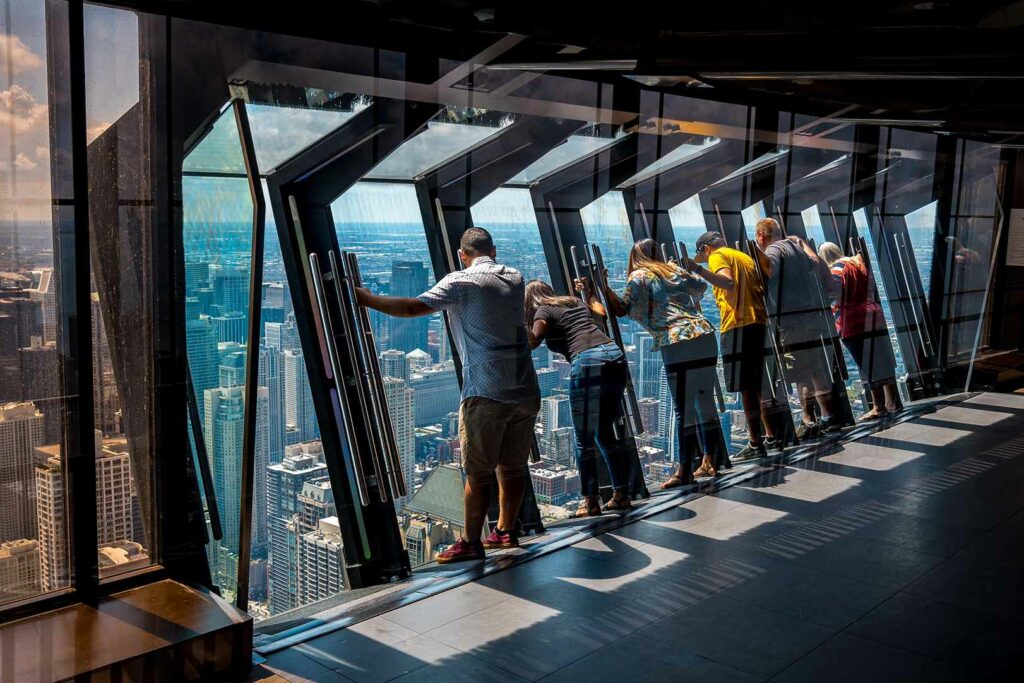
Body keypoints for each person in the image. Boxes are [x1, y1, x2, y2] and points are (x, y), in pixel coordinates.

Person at [356, 227, 540, 563]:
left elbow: (414, 308)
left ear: (462, 254)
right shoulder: (515, 277)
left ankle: (471, 542)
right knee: (512, 469)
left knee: (478, 471)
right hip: (525, 388)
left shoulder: (460, 282)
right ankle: (506, 531)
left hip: (486, 389)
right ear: (494, 251)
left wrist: (367, 300)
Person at [602, 238, 728, 487]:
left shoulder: (638, 276)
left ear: (634, 256)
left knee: (684, 409)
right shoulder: (672, 269)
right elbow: (700, 287)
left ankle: (684, 471)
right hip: (704, 335)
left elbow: (621, 309)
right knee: (705, 402)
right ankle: (709, 461)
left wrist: (604, 286)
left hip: (676, 341)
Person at [525, 279, 633, 516]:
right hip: (614, 356)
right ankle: (621, 495)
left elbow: (533, 341)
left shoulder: (543, 309)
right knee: (605, 432)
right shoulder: (572, 301)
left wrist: (513, 323)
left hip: (587, 363)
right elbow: (600, 313)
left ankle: (591, 501)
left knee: (584, 439)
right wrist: (590, 292)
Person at [687, 231, 776, 461]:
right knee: (757, 384)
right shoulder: (743, 257)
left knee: (746, 386)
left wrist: (698, 270)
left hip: (737, 324)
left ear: (706, 249)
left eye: (703, 257)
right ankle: (771, 434)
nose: (706, 261)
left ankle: (756, 443)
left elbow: (727, 281)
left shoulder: (717, 256)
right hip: (758, 321)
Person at [753, 218, 839, 439]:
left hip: (790, 322)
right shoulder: (796, 249)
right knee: (816, 368)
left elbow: (769, 272)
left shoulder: (773, 250)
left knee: (801, 373)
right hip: (811, 317)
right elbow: (816, 262)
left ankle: (809, 420)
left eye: (757, 238)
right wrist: (801, 242)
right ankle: (829, 417)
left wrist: (755, 261)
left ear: (762, 235)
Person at [817, 241, 903, 419]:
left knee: (867, 364)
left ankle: (878, 407)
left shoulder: (837, 270)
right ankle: (893, 402)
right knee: (883, 360)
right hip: (874, 315)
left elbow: (833, 292)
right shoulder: (858, 264)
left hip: (853, 321)